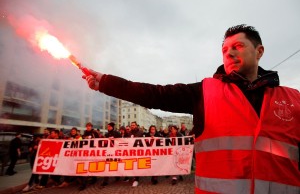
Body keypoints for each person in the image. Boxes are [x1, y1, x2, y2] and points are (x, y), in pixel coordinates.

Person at [83, 24, 300, 193]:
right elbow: (153, 94)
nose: (229, 53)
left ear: (259, 51)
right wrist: (105, 82)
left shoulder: (293, 99)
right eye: (224, 49)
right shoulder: (204, 92)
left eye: (238, 46)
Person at [101, 122, 121, 186]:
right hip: (108, 152)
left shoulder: (117, 133)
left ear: (112, 127)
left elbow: (121, 140)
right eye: (108, 127)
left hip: (115, 151)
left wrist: (114, 138)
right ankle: (105, 181)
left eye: (109, 126)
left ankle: (117, 176)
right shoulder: (106, 134)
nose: (108, 128)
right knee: (107, 165)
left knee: (115, 164)